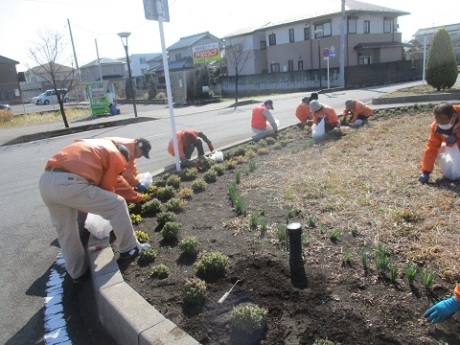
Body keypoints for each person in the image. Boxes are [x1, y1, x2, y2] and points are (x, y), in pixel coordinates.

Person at [39, 139, 141, 283]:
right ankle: (129, 248)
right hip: (68, 183)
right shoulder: (116, 155)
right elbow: (108, 188)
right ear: (122, 157)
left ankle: (77, 273)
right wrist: (135, 197)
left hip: (46, 182)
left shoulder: (95, 146)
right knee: (117, 204)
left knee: (67, 233)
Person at [418, 102, 460, 184]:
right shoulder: (436, 127)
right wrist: (426, 171)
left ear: (454, 117)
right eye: (439, 123)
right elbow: (431, 148)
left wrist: (457, 136)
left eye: (444, 123)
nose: (441, 126)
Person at [103, 137, 151, 203]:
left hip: (104, 154)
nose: (141, 156)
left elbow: (131, 165)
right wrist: (136, 183)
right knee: (113, 183)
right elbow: (125, 171)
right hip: (102, 155)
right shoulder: (127, 148)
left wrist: (136, 177)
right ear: (139, 146)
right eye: (142, 153)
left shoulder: (132, 147)